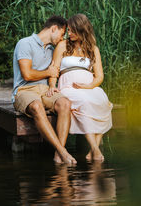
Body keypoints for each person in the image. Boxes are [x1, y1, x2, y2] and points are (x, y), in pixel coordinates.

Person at [47, 13, 113, 161]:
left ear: (82, 29)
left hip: (89, 86)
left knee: (103, 101)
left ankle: (92, 152)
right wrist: (52, 85)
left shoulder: (93, 48)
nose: (68, 33)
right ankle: (95, 149)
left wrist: (89, 86)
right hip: (69, 86)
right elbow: (54, 68)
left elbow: (99, 76)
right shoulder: (63, 45)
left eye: (72, 30)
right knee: (83, 102)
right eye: (68, 30)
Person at [12, 16, 77, 165]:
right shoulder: (25, 43)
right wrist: (48, 72)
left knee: (65, 103)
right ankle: (63, 151)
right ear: (54, 29)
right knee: (36, 106)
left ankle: (57, 154)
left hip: (45, 90)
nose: (62, 38)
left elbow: (56, 71)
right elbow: (27, 74)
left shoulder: (52, 50)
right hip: (24, 89)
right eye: (62, 34)